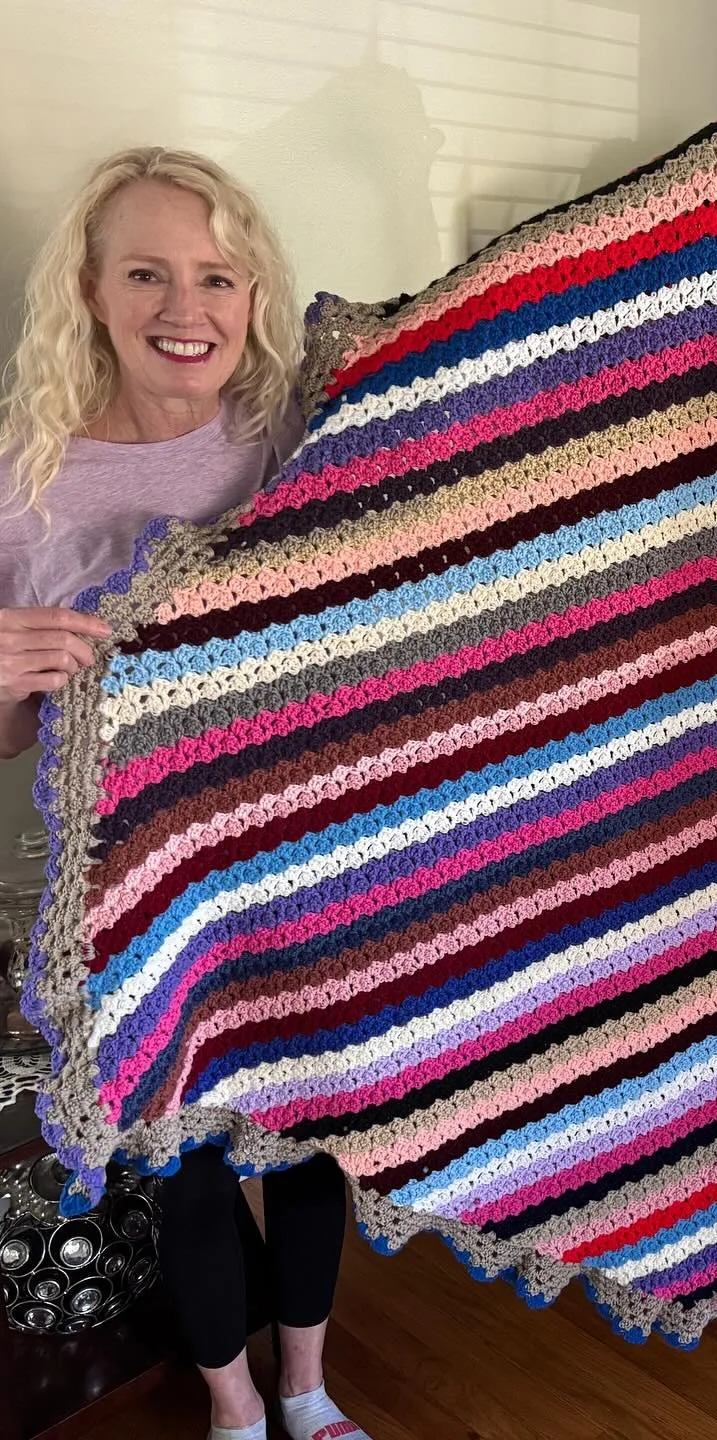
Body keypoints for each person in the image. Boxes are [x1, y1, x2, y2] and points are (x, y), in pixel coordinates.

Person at [0, 148, 370, 1440]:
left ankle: (309, 1391)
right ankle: (231, 1408)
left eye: (219, 275)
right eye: (148, 271)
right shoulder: (28, 472)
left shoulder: (300, 439)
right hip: (129, 895)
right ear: (93, 292)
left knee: (317, 1135)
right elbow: (4, 742)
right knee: (189, 1156)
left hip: (302, 863)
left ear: (255, 294)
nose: (186, 305)